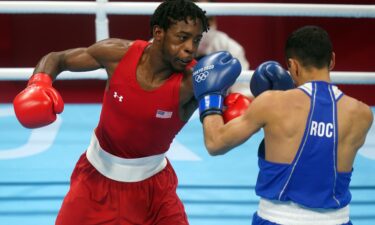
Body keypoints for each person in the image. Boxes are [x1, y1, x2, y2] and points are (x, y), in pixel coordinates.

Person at [12, 1, 217, 224]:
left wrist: (232, 103)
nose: (190, 48)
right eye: (182, 37)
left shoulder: (193, 82)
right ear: (159, 33)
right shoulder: (118, 54)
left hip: (154, 191)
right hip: (94, 183)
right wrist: (39, 84)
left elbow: (219, 137)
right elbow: (57, 59)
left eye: (196, 40)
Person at [193, 25, 373, 225]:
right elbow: (320, 152)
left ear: (292, 66)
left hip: (278, 219)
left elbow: (215, 142)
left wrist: (209, 97)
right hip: (337, 220)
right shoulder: (362, 115)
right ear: (332, 60)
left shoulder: (272, 103)